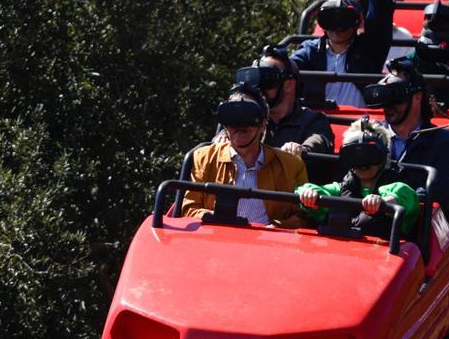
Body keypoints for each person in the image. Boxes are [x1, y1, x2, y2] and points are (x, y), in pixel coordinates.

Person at [180, 85, 309, 227]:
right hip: (217, 237)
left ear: (263, 124)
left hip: (269, 243)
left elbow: (303, 216)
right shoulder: (203, 158)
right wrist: (215, 218)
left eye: (248, 115)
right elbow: (189, 208)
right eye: (233, 116)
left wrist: (278, 226)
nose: (239, 125)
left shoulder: (291, 165)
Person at [361, 59, 449, 226]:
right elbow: (347, 182)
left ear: (418, 97)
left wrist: (398, 200)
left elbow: (440, 195)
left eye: (397, 95)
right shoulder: (369, 135)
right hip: (365, 224)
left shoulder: (443, 143)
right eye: (386, 95)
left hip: (411, 232)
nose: (389, 105)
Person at [291, 0, 393, 107]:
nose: (338, 28)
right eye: (330, 19)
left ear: (358, 20)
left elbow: (381, 15)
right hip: (316, 124)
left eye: (345, 19)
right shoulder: (311, 51)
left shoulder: (369, 49)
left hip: (358, 127)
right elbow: (288, 66)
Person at [296, 118, 420, 239]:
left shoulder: (395, 186)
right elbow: (308, 189)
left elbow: (405, 196)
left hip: (383, 254)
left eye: (369, 155)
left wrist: (383, 202)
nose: (362, 163)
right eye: (354, 155)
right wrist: (309, 193)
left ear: (383, 155)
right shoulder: (342, 187)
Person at [233, 47, 334, 180]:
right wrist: (224, 136)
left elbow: (319, 140)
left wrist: (302, 149)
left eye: (267, 80)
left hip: (289, 194)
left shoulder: (313, 121)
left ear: (289, 85)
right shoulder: (245, 116)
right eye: (256, 80)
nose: (258, 88)